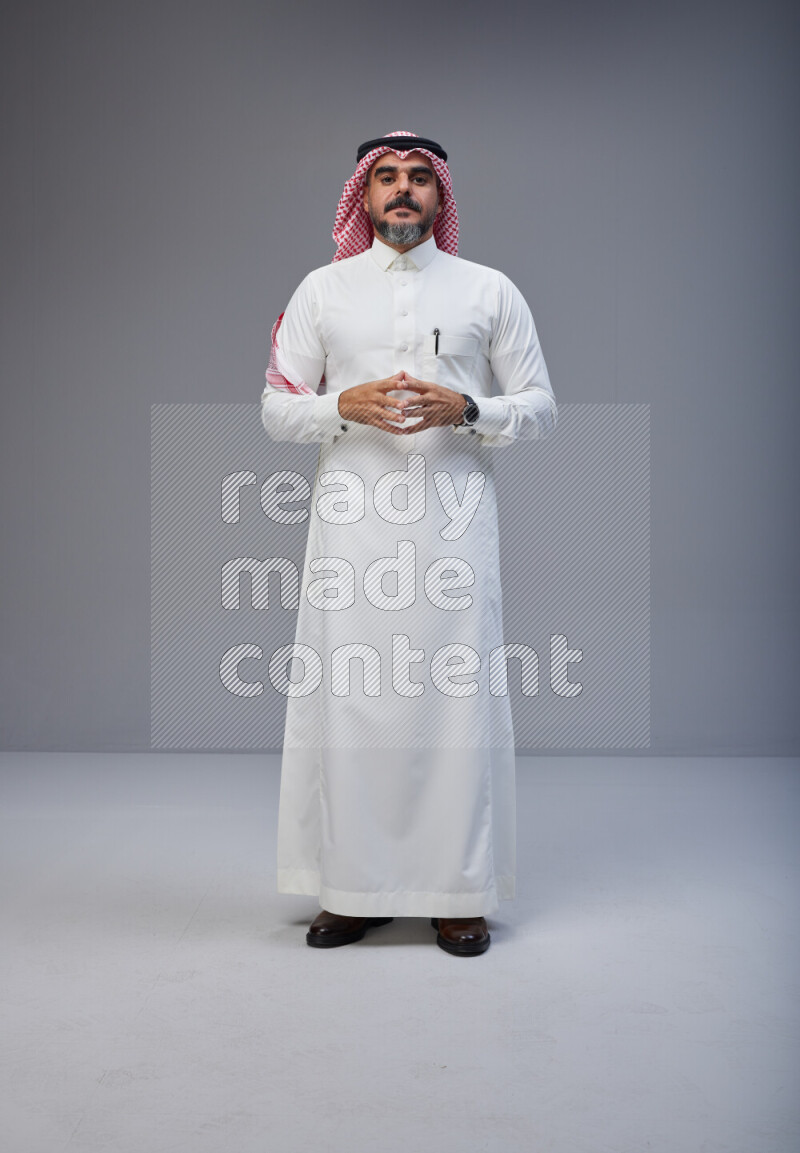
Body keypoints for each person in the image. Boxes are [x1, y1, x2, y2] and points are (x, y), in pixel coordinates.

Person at [260, 130, 557, 956]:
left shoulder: (488, 290)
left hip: (453, 531)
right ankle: (351, 890)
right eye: (386, 176)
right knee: (351, 703)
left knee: (454, 706)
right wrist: (339, 404)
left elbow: (541, 405)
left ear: (440, 195)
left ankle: (457, 893)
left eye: (419, 177)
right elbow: (277, 408)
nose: (402, 189)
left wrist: (469, 408)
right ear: (362, 194)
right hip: (351, 533)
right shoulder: (323, 290)